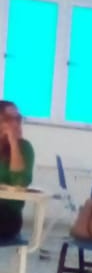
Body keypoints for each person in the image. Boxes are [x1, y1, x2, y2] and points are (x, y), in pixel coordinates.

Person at [0, 100, 34, 239]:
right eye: (8, 119)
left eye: (18, 119)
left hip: (8, 214)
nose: (15, 123)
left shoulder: (25, 148)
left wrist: (14, 143)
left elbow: (19, 183)